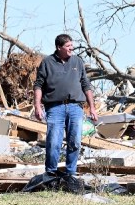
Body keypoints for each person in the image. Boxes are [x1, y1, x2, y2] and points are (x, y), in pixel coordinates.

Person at [33, 34, 99, 177]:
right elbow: (38, 85)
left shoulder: (77, 62)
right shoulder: (47, 62)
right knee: (53, 141)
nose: (72, 48)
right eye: (68, 46)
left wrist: (92, 107)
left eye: (72, 45)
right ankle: (50, 173)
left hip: (75, 107)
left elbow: (86, 85)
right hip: (55, 107)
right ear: (59, 47)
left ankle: (71, 173)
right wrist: (37, 106)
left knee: (74, 141)